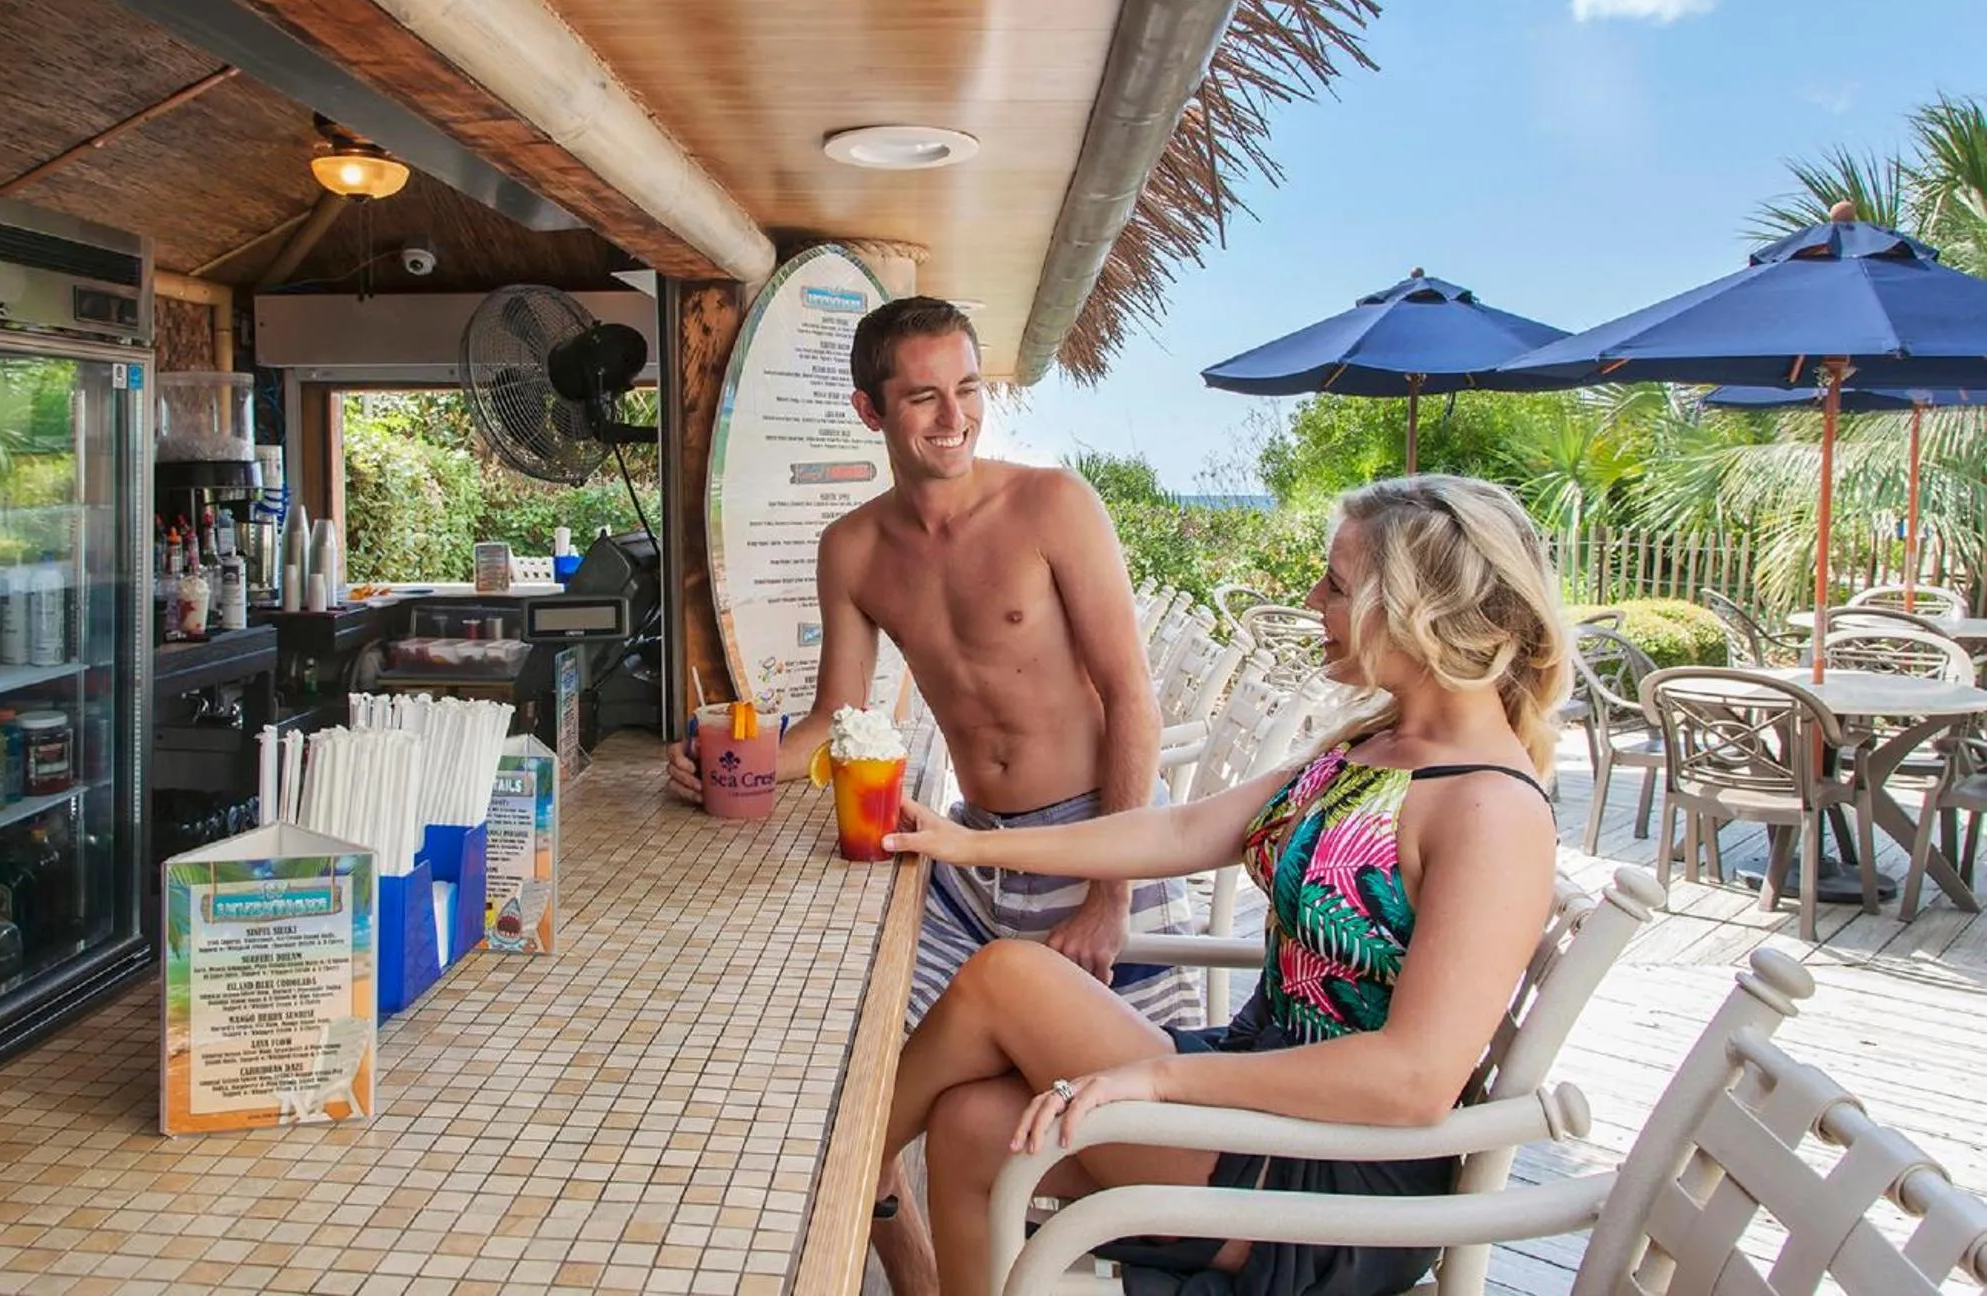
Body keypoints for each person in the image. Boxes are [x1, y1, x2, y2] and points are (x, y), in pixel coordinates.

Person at [875, 473, 1570, 1296]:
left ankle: (834, 1165)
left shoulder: (1491, 808)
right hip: (1254, 1101)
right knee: (967, 1127)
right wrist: (966, 844)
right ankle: (860, 1165)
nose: (1314, 599)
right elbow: (1178, 829)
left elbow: (1411, 1082)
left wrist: (1161, 1077)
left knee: (1009, 974)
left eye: (1338, 586)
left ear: (1417, 611)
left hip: (1333, 1171)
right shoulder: (1376, 745)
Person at [667, 296, 1202, 1295]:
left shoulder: (1051, 506)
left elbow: (1132, 697)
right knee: (854, 1062)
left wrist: (1111, 894)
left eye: (967, 391)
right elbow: (833, 718)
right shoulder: (855, 549)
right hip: (971, 855)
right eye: (923, 397)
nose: (953, 417)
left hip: (1092, 840)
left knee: (1126, 1126)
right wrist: (732, 764)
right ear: (873, 412)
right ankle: (906, 1263)